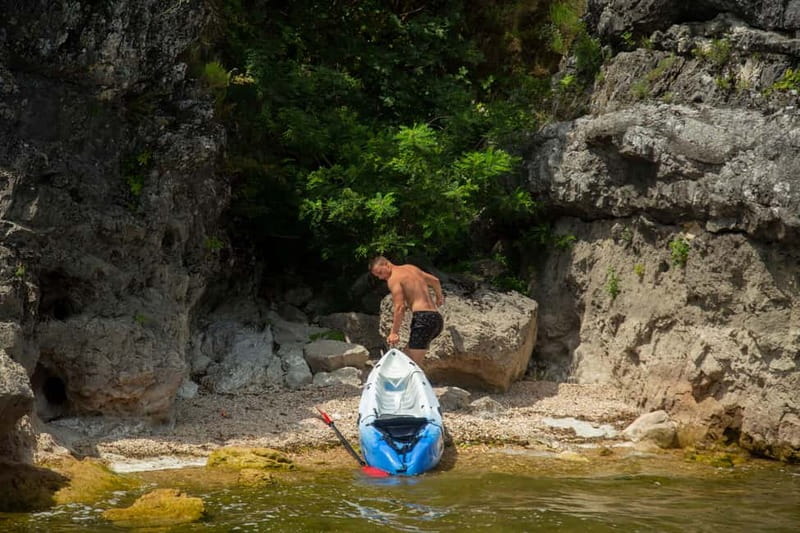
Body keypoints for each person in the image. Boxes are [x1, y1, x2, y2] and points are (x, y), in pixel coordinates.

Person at [369, 256, 444, 365]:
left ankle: (416, 381)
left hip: (423, 319)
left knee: (410, 365)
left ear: (386, 264)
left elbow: (400, 307)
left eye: (380, 272)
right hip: (436, 319)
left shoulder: (393, 279)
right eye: (377, 276)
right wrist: (439, 296)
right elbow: (435, 281)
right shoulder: (412, 268)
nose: (380, 277)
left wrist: (394, 332)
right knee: (405, 359)